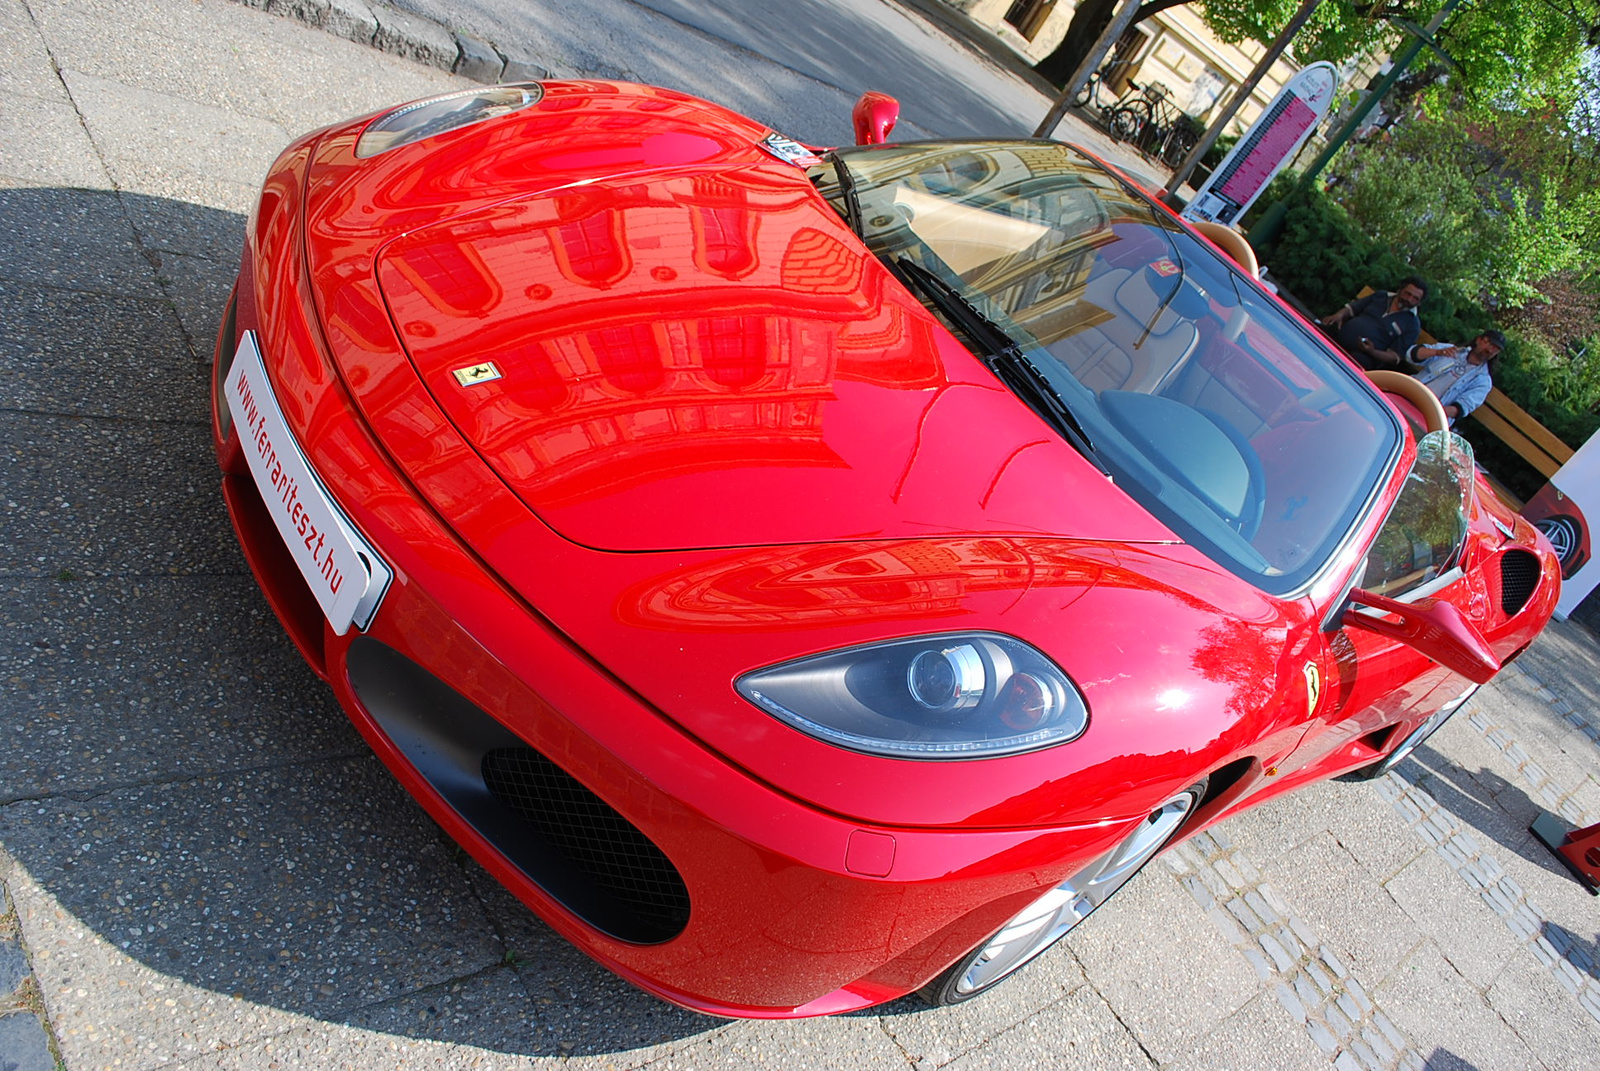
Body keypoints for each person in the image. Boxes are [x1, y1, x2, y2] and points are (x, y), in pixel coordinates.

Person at [1319, 277, 1427, 370]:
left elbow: (1394, 357)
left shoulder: (1412, 324)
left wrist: (1372, 351)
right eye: (1407, 294)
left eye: (1415, 298)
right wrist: (1338, 315)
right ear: (1400, 289)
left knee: (1355, 363)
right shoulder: (1381, 296)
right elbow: (1353, 308)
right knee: (1318, 331)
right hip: (1341, 335)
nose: (1409, 299)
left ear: (1419, 302)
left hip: (1365, 356)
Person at [1410, 330, 1506, 424]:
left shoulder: (1483, 382)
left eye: (1496, 349)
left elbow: (1461, 408)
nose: (1490, 350)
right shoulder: (1450, 350)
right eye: (1489, 343)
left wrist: (1431, 412)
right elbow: (1411, 355)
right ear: (1479, 340)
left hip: (1430, 418)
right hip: (1410, 394)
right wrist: (1437, 352)